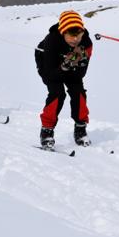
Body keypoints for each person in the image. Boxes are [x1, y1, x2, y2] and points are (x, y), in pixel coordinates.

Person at [36, 11, 93, 149]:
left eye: (79, 36)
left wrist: (79, 64)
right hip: (48, 64)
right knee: (57, 93)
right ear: (63, 32)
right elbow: (50, 75)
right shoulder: (51, 41)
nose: (76, 40)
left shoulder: (86, 42)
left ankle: (80, 128)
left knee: (78, 92)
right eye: (72, 36)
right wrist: (64, 67)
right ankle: (47, 130)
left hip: (69, 66)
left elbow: (80, 75)